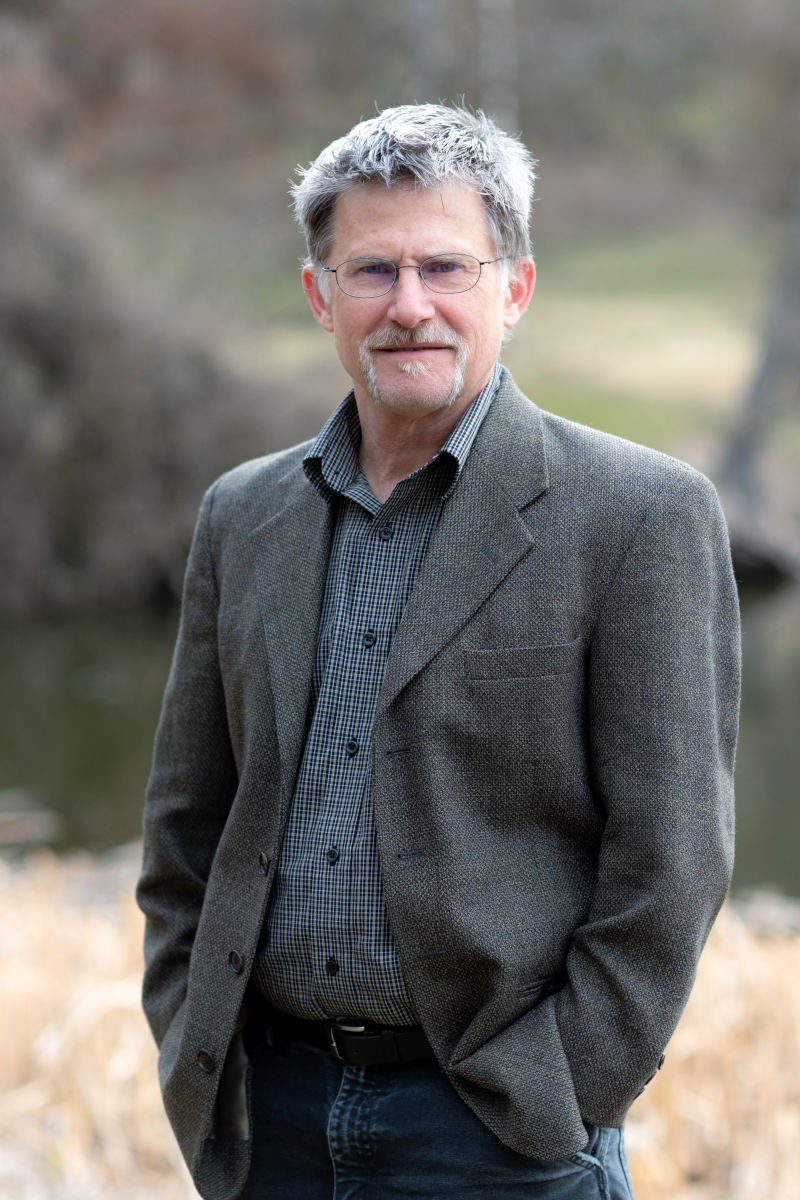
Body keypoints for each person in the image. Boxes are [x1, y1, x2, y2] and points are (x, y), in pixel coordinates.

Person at [137, 103, 740, 1200]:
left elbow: (672, 859)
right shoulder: (243, 515)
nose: (407, 307)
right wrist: (189, 1033)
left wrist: (560, 1090)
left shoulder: (638, 515)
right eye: (371, 271)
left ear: (512, 288)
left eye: (444, 268)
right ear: (321, 296)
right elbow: (186, 823)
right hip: (267, 1121)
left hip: (498, 1134)